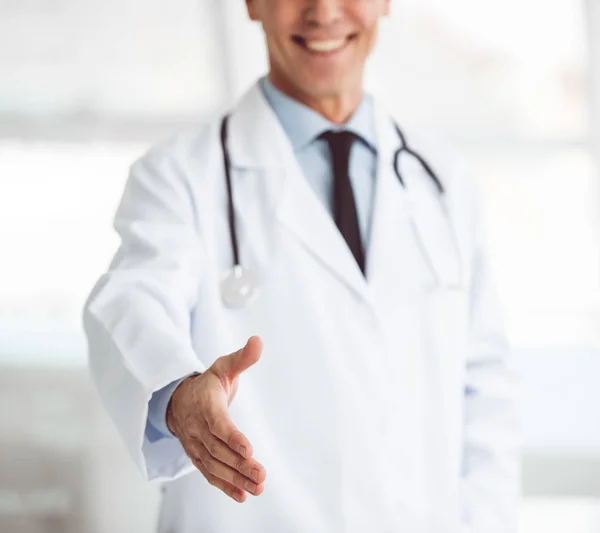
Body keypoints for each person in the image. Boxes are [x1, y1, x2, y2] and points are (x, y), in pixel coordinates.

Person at [83, 1, 520, 532]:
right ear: (251, 4)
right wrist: (177, 392)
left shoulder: (445, 181)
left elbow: (486, 398)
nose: (324, 11)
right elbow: (131, 301)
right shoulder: (179, 178)